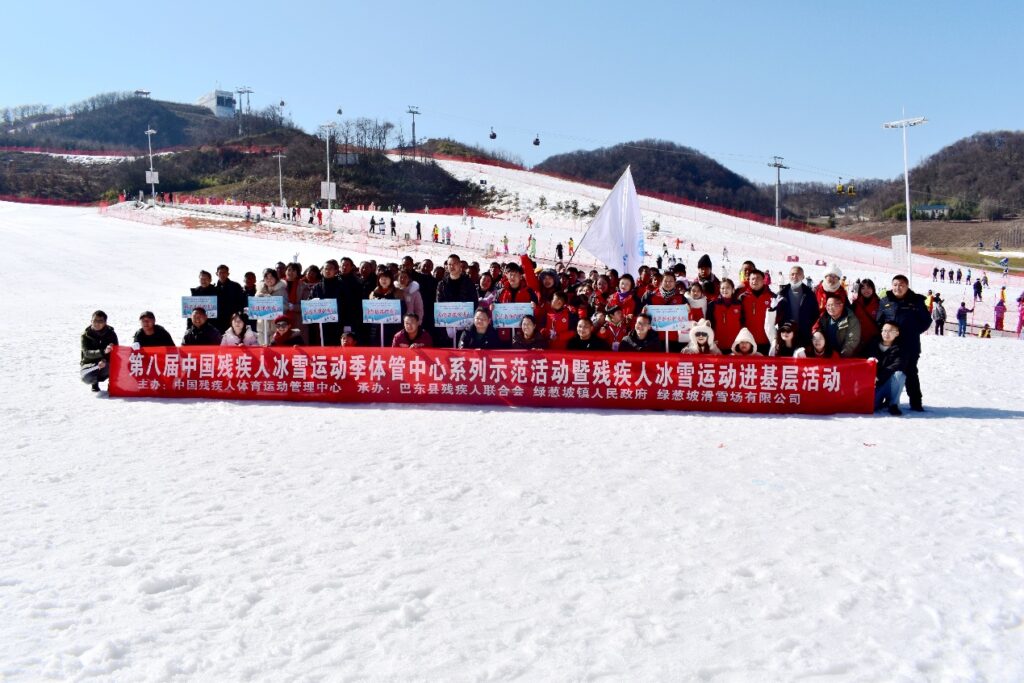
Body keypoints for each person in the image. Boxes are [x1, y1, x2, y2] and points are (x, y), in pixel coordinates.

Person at [876, 275, 931, 412]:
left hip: (910, 343)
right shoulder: (885, 301)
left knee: (911, 372)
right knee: (889, 371)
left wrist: (912, 331)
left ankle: (916, 402)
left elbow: (926, 321)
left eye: (901, 285)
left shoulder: (916, 301)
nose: (897, 288)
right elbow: (879, 321)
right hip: (891, 344)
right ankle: (888, 399)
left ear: (907, 286)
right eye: (895, 285)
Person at [862, 321, 906, 415]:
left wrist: (879, 377)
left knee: (899, 375)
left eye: (890, 331)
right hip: (874, 385)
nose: (886, 333)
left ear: (897, 333)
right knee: (872, 406)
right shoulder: (873, 343)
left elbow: (898, 365)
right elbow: (863, 360)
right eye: (884, 331)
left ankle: (893, 404)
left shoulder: (901, 347)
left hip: (889, 383)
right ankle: (881, 402)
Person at [813, 293, 862, 358]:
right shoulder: (823, 317)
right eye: (828, 305)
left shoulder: (851, 320)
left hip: (842, 358)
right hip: (826, 354)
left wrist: (840, 358)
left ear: (841, 305)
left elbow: (851, 342)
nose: (830, 308)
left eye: (832, 305)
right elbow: (816, 328)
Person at [81, 310, 119, 392]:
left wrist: (104, 359)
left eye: (100, 321)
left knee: (116, 365)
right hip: (90, 363)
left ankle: (112, 384)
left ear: (105, 322)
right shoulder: (85, 335)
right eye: (95, 320)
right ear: (91, 321)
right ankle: (94, 383)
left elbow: (116, 351)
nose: (97, 323)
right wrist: (103, 352)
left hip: (105, 362)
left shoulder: (111, 334)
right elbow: (87, 353)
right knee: (86, 377)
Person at [739, 269, 774, 355]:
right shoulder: (742, 297)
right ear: (749, 280)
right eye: (753, 279)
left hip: (766, 340)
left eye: (758, 278)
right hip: (748, 341)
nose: (755, 281)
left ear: (763, 280)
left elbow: (778, 317)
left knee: (764, 366)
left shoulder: (772, 297)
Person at [706, 278, 744, 354]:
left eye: (728, 288)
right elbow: (709, 324)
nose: (725, 290)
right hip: (718, 342)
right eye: (722, 288)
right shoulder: (713, 304)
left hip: (735, 342)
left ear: (733, 290)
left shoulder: (739, 304)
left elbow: (743, 322)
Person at [256, 268, 288, 343]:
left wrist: (272, 302)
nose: (269, 280)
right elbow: (254, 308)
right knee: (262, 348)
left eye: (271, 277)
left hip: (276, 326)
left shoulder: (281, 290)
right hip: (262, 325)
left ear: (276, 278)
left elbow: (286, 307)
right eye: (266, 278)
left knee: (274, 348)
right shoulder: (260, 290)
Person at [213, 265, 246, 332]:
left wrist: (238, 315)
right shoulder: (213, 288)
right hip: (217, 321)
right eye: (220, 272)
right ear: (217, 274)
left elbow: (241, 302)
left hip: (232, 319)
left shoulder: (236, 286)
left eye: (224, 272)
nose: (222, 274)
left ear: (228, 274)